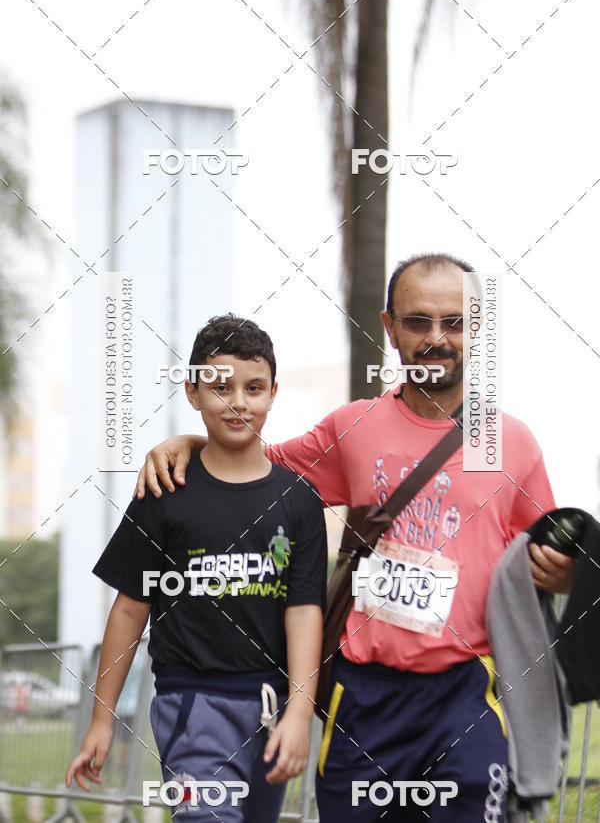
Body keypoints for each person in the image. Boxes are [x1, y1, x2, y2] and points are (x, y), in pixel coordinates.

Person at [135, 255, 573, 822]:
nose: (436, 338)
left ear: (478, 328)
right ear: (389, 328)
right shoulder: (353, 427)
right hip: (363, 699)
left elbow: (555, 549)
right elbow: (255, 465)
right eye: (418, 322)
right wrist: (191, 443)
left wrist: (564, 571)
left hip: (466, 695)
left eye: (454, 322)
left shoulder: (512, 443)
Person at [66, 315, 327, 822]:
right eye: (220, 387)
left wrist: (298, 712)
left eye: (254, 388)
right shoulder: (164, 494)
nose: (238, 401)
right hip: (192, 704)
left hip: (270, 710)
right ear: (191, 392)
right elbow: (128, 611)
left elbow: (304, 613)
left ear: (274, 392)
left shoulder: (299, 501)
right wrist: (101, 719)